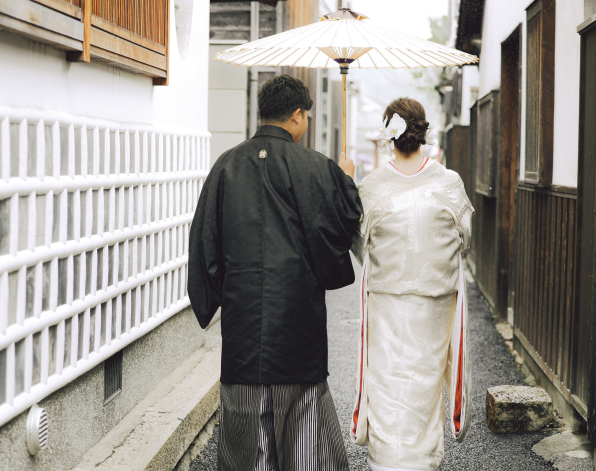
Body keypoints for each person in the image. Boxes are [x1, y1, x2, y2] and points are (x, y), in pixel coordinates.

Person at [188, 74, 362, 471]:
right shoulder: (317, 168)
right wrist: (346, 180)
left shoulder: (226, 166)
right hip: (297, 329)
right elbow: (342, 226)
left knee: (247, 444)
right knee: (303, 436)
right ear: (298, 115)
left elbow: (205, 245)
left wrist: (211, 296)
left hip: (243, 328)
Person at [350, 98, 474, 471]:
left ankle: (385, 462)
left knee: (387, 380)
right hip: (435, 303)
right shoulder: (448, 183)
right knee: (426, 381)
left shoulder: (372, 186)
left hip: (386, 300)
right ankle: (422, 462)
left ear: (390, 136)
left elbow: (359, 245)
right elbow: (465, 239)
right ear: (422, 133)